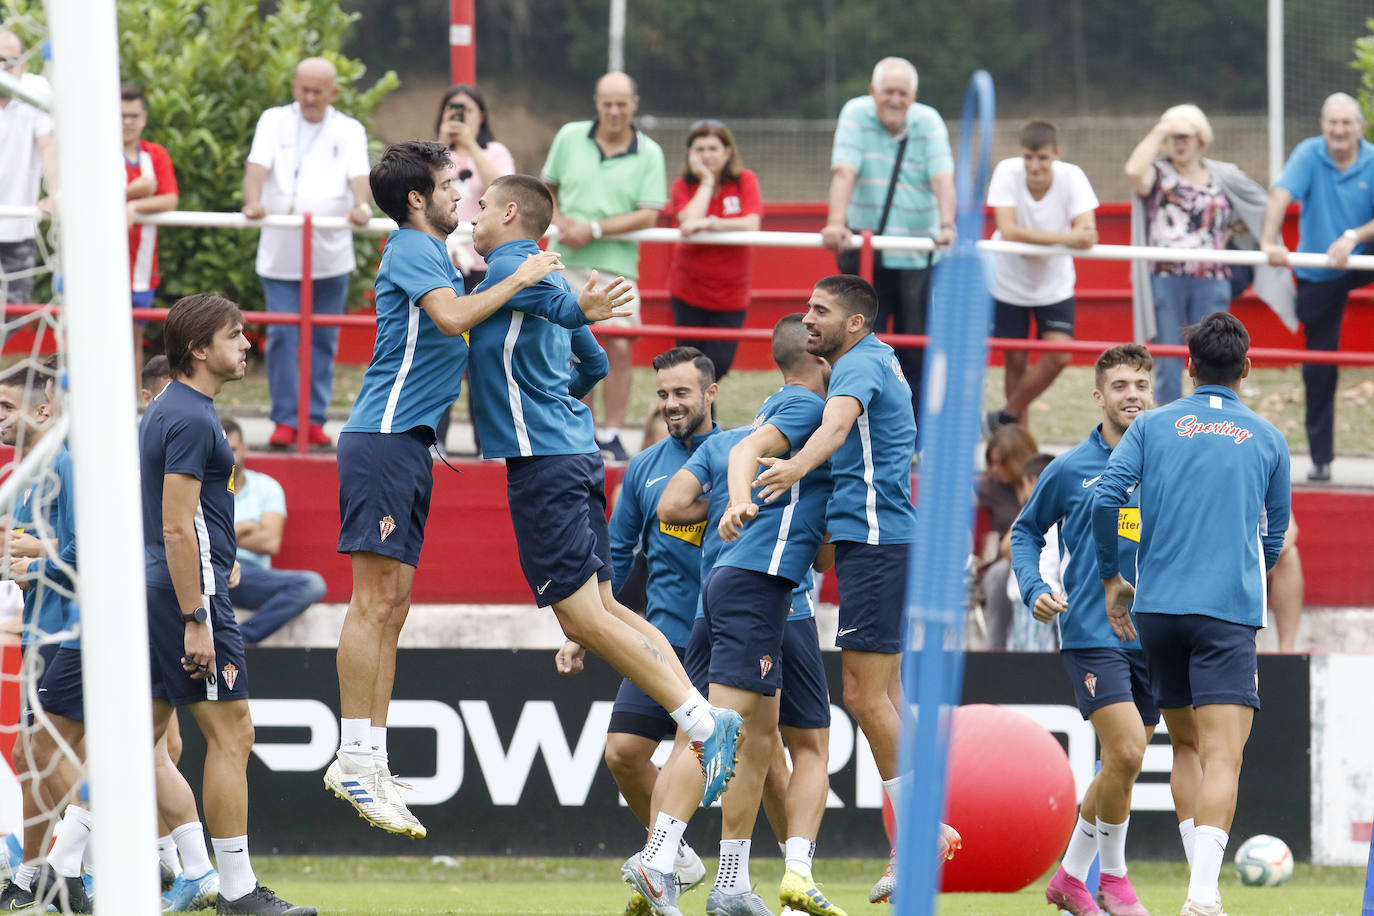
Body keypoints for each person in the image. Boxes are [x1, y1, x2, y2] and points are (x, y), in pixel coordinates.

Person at [462, 174, 742, 911]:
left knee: (580, 619)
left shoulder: (513, 266)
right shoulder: (532, 270)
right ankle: (680, 811)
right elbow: (589, 361)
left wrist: (575, 305)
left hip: (543, 466)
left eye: (482, 205)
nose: (473, 215)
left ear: (512, 214)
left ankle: (701, 722)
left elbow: (556, 305)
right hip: (576, 453)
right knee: (607, 609)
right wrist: (564, 370)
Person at [327, 142, 576, 839]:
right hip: (382, 439)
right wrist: (524, 274)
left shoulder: (434, 254)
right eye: (445, 186)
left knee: (394, 606)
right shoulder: (410, 245)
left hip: (409, 445)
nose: (456, 200)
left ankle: (371, 757)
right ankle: (351, 753)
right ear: (416, 199)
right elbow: (455, 320)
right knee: (372, 602)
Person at [751, 275, 959, 903]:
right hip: (882, 539)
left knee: (865, 699)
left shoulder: (859, 366)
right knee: (889, 695)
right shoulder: (875, 357)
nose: (808, 318)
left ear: (857, 323)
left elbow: (837, 427)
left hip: (875, 542)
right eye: (809, 307)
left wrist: (794, 466)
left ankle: (918, 837)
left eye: (822, 311)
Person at [624, 313, 832, 916]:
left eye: (679, 391)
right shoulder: (816, 425)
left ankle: (733, 882)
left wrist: (724, 513)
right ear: (821, 364)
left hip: (723, 591)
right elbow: (820, 550)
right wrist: (750, 508)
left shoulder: (734, 435)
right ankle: (658, 857)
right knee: (724, 729)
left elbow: (671, 506)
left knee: (756, 741)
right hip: (769, 595)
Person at [1093, 312, 1290, 916]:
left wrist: (1111, 578)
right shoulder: (1267, 437)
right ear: (1246, 369)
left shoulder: (1152, 426)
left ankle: (1203, 886)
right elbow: (1275, 536)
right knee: (1222, 755)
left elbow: (1106, 496)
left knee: (1183, 747)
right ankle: (1202, 896)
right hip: (1226, 612)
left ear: (1188, 366)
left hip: (1158, 612)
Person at [140, 292, 316, 915]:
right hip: (190, 595)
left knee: (139, 738)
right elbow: (175, 525)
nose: (248, 345)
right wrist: (196, 616)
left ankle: (61, 867)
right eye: (236, 335)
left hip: (167, 586)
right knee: (232, 731)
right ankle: (236, 890)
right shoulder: (190, 417)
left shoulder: (172, 409)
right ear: (198, 348)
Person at [1012, 343, 1159, 916]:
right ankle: (1113, 880)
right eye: (1120, 386)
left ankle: (1070, 876)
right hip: (1092, 630)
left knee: (1126, 760)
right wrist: (1033, 588)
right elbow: (1025, 532)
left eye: (1141, 386)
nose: (1132, 396)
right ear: (1099, 396)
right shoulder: (1072, 467)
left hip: (1155, 635)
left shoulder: (1166, 461)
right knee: (1124, 751)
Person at [599, 347, 718, 915]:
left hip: (722, 636)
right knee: (622, 753)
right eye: (663, 394)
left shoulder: (742, 455)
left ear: (710, 394)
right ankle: (677, 857)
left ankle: (672, 866)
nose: (671, 404)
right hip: (659, 640)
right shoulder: (643, 468)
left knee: (689, 752)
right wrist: (583, 628)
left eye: (682, 394)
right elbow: (618, 557)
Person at [241, 57, 373, 450]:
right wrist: (252, 202)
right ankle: (284, 419)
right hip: (281, 250)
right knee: (281, 334)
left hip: (330, 253)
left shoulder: (349, 128)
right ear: (294, 87)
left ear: (333, 92)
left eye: (318, 91)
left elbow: (359, 177)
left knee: (323, 337)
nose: (310, 98)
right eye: (304, 89)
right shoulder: (273, 120)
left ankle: (313, 419)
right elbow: (256, 169)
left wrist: (362, 206)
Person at [1125, 104, 1288, 406]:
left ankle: (1215, 416)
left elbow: (1258, 206)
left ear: (1200, 138)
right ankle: (1169, 422)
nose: (1179, 143)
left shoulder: (1221, 175)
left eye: (1185, 136)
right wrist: (1162, 127)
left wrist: (1248, 236)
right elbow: (1134, 171)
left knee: (1216, 354)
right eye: (1173, 137)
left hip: (1212, 276)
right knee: (1169, 357)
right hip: (1167, 277)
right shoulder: (1159, 173)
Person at [542, 71, 667, 462]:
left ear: (635, 103)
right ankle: (581, 426)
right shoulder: (568, 136)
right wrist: (562, 223)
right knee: (569, 346)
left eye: (621, 103)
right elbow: (547, 188)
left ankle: (612, 432)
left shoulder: (650, 152)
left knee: (619, 347)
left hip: (618, 266)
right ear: (597, 103)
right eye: (606, 103)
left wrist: (592, 229)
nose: (613, 111)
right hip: (564, 260)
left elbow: (648, 214)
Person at [821, 57, 954, 422]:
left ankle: (913, 431)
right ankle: (851, 423)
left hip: (916, 254)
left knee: (916, 347)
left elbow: (943, 178)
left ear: (914, 96)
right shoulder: (855, 115)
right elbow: (844, 171)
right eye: (888, 92)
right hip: (867, 250)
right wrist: (836, 224)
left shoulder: (927, 122)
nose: (895, 100)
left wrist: (947, 225)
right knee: (855, 342)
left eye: (903, 93)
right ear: (872, 93)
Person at [1260, 92, 1374, 483]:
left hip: (1360, 253)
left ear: (1360, 127)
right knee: (1319, 363)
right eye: (1333, 123)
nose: (1339, 130)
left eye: (1347, 123)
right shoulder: (1310, 153)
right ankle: (1321, 459)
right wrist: (1269, 241)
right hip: (1321, 269)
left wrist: (1352, 236)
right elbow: (1279, 195)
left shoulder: (1372, 158)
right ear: (1323, 126)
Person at [983, 120, 1099, 432]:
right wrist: (1064, 238)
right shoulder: (1008, 171)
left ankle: (1006, 416)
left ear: (1056, 155)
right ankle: (1015, 443)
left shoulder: (1072, 176)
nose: (1034, 166)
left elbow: (1088, 234)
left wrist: (1035, 238)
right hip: (1007, 281)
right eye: (1028, 158)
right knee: (1015, 362)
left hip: (1054, 284)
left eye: (1042, 158)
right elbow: (1006, 230)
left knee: (1060, 354)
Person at [432, 83, 517, 453]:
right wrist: (440, 146)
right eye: (452, 109)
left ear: (482, 115)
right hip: (443, 263)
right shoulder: (433, 152)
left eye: (466, 110)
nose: (458, 117)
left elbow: (502, 188)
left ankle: (488, 441)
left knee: (486, 353)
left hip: (485, 265)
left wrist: (472, 146)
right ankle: (436, 438)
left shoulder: (495, 152)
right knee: (442, 351)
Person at [667, 120, 763, 379]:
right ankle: (701, 420)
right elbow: (688, 222)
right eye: (700, 149)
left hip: (731, 293)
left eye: (713, 148)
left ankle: (700, 417)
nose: (707, 155)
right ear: (690, 154)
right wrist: (707, 182)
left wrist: (711, 223)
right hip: (689, 290)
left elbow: (751, 223)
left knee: (718, 363)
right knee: (690, 365)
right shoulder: (683, 185)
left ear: (728, 151)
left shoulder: (745, 181)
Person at [220, 417, 327, 644]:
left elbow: (270, 543)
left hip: (251, 577)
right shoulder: (202, 488)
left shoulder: (266, 487)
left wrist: (225, 534)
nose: (229, 456)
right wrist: (246, 526)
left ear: (245, 450)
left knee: (312, 585)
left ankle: (238, 638)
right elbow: (201, 539)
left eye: (234, 449)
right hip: (213, 571)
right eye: (223, 450)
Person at [122, 82, 179, 372]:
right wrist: (131, 193)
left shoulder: (154, 154)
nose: (127, 123)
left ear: (143, 118)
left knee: (133, 339)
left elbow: (170, 199)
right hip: (98, 265)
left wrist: (134, 206)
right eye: (121, 116)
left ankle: (131, 409)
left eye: (133, 116)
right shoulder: (97, 152)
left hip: (141, 267)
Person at [0, 31, 55, 307]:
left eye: (9, 62)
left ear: (23, 63)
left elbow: (49, 149)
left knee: (15, 311)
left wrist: (56, 192)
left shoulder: (36, 94)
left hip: (17, 228)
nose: (2, 69)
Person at [976, 424, 1039, 651]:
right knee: (1000, 574)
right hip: (1009, 558)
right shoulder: (990, 489)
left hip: (1045, 554)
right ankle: (996, 648)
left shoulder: (1041, 480)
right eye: (991, 462)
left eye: (1001, 463)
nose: (995, 469)